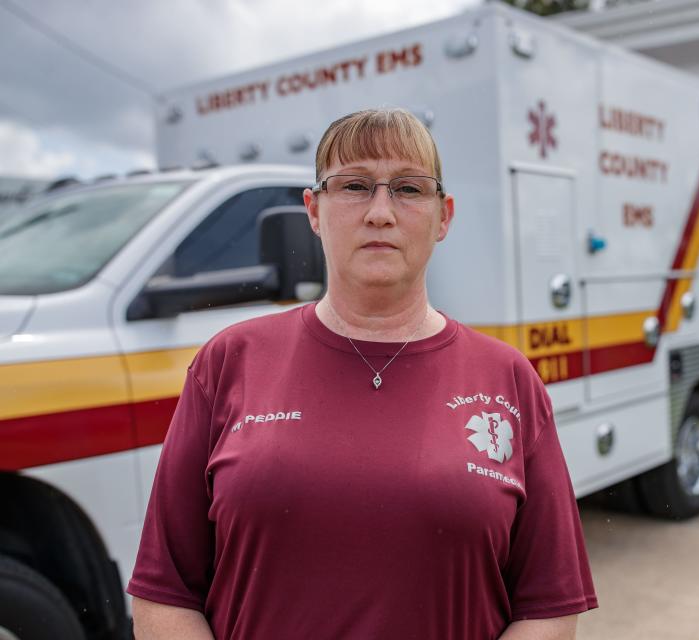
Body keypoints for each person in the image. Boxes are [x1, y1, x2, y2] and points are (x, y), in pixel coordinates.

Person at [127, 108, 598, 639]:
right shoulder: (228, 361)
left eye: (408, 189)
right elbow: (163, 594)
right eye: (353, 186)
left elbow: (548, 605)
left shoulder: (508, 378)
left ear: (443, 217)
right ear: (313, 210)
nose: (380, 213)